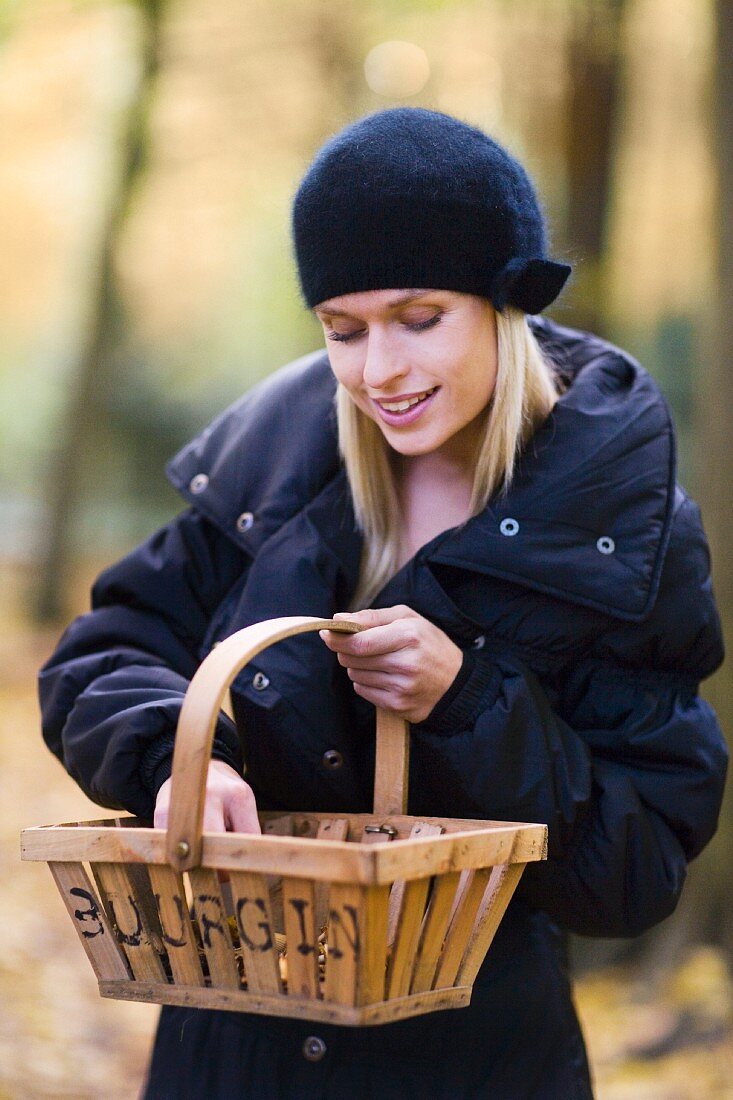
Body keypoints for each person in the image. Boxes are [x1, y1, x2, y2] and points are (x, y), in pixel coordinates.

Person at [39, 107, 727, 1099]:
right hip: (233, 1059)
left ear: (506, 302)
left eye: (418, 318)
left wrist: (469, 702)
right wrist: (182, 756)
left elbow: (635, 863)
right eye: (343, 330)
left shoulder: (614, 525)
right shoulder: (266, 477)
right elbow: (103, 650)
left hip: (473, 1065)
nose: (379, 372)